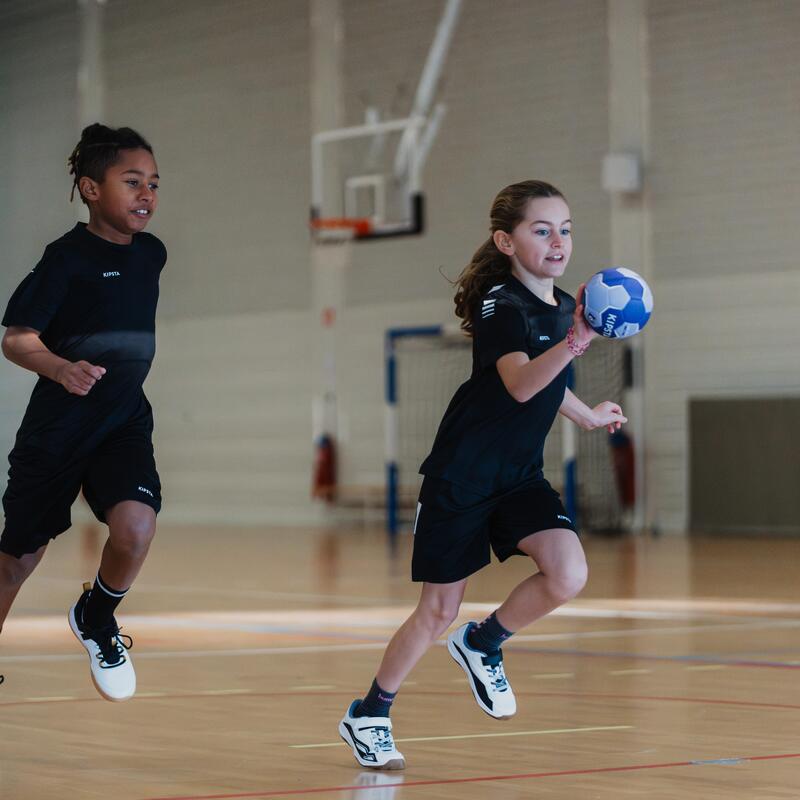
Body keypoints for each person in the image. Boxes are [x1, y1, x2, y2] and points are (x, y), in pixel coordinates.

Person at [339, 180, 627, 769]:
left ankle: (485, 642)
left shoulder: (559, 308)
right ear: (506, 240)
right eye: (540, 230)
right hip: (462, 476)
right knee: (437, 611)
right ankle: (369, 713)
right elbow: (521, 381)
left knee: (568, 572)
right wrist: (578, 340)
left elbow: (549, 385)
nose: (557, 241)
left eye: (565, 229)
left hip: (518, 476)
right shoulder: (501, 302)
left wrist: (586, 413)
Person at [0, 123, 166, 701]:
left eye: (152, 183)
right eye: (131, 182)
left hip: (122, 422)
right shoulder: (65, 259)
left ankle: (97, 616)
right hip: (60, 427)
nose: (145, 194)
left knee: (137, 527)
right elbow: (17, 338)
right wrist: (61, 368)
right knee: (17, 560)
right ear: (91, 189)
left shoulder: (152, 254)